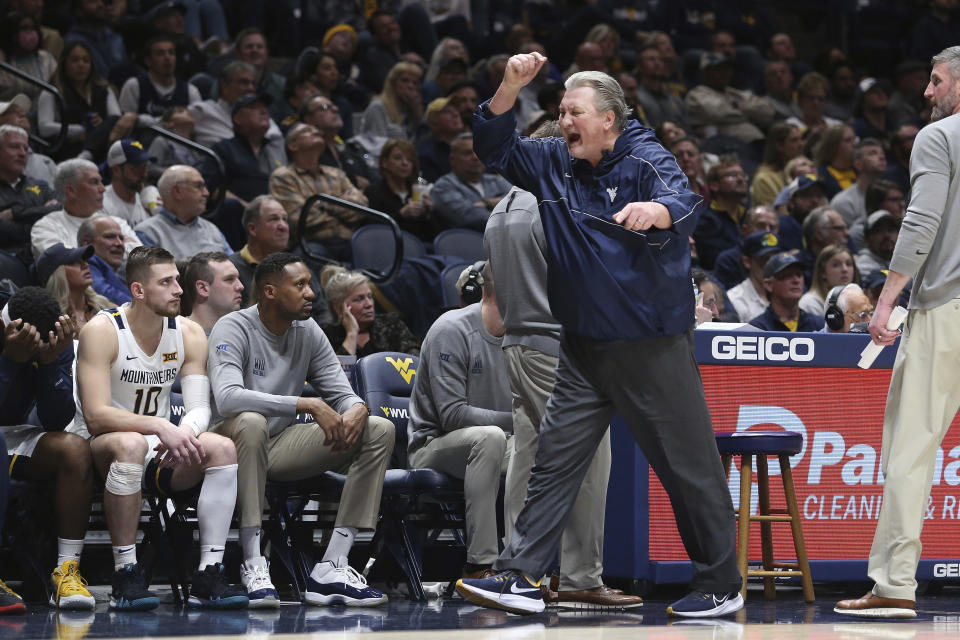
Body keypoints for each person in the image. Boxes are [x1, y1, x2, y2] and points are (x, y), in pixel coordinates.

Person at [459, 55, 742, 618]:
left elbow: (685, 200)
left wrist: (658, 210)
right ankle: (520, 574)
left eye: (575, 112)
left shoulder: (645, 157)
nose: (564, 120)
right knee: (555, 462)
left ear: (609, 118)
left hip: (649, 346)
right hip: (584, 349)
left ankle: (720, 582)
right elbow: (493, 146)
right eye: (561, 110)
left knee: (687, 468)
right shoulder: (554, 163)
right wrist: (510, 87)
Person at [484, 123, 641, 608]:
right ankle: (580, 577)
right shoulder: (554, 204)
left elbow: (492, 296)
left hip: (517, 345)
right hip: (558, 347)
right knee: (591, 457)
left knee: (529, 456)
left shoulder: (501, 209)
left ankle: (519, 569)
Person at [208, 252, 394, 608]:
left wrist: (357, 410)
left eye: (310, 284)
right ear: (270, 292)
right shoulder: (233, 326)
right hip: (230, 442)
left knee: (379, 429)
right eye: (300, 285)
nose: (311, 293)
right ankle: (253, 561)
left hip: (280, 445)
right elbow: (229, 398)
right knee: (251, 421)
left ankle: (333, 565)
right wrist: (304, 404)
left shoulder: (308, 330)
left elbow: (342, 393)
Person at [73, 245, 247, 610]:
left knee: (222, 448)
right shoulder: (102, 331)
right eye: (166, 282)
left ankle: (209, 570)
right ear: (138, 291)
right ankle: (125, 573)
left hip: (159, 445)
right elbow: (96, 415)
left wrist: (183, 432)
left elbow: (199, 408)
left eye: (177, 281)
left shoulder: (189, 333)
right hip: (101, 445)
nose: (178, 290)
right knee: (131, 445)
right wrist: (159, 426)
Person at [408, 262, 514, 578]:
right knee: (490, 437)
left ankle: (528, 565)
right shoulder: (451, 329)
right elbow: (452, 415)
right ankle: (479, 564)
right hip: (434, 445)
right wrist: (520, 419)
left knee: (546, 446)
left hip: (502, 439)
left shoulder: (526, 333)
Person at [1, 285, 96, 611]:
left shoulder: (54, 336)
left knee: (75, 448)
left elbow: (56, 419)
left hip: (16, 435)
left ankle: (67, 570)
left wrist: (53, 360)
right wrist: (10, 362)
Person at [268, 123, 367, 262]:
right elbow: (300, 219)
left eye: (316, 129)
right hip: (312, 242)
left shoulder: (336, 173)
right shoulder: (283, 177)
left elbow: (362, 207)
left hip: (349, 239)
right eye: (307, 130)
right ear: (293, 146)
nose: (316, 131)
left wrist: (322, 204)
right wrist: (341, 205)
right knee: (312, 255)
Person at [229, 195, 331, 324]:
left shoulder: (297, 266)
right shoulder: (231, 269)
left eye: (285, 219)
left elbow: (322, 312)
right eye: (274, 219)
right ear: (252, 229)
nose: (283, 227)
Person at [37, 41, 135, 161]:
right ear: (64, 63)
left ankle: (87, 153)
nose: (81, 65)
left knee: (116, 120)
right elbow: (44, 128)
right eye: (75, 60)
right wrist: (79, 130)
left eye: (85, 60)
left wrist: (101, 124)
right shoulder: (52, 92)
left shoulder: (104, 89)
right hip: (67, 149)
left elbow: (115, 119)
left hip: (102, 149)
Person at [30, 158, 140, 260]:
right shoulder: (46, 227)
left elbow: (142, 259)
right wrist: (122, 247)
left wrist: (80, 252)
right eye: (94, 182)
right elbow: (62, 263)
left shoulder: (117, 222)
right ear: (71, 190)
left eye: (101, 182)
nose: (102, 189)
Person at [319, 265, 420, 357]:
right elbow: (336, 373)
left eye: (370, 297)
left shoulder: (391, 324)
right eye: (359, 299)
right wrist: (352, 334)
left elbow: (414, 360)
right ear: (337, 306)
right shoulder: (327, 336)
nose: (369, 304)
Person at [135, 165, 232, 260]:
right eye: (199, 186)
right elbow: (155, 275)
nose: (206, 193)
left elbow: (233, 267)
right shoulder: (148, 233)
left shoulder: (212, 229)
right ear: (177, 191)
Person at [431, 134, 512, 232]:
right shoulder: (443, 186)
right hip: (467, 243)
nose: (475, 158)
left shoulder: (496, 181)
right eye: (467, 153)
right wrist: (507, 213)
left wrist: (486, 204)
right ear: (452, 160)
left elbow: (521, 201)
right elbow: (469, 216)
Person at [117, 35, 202, 128]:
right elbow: (125, 123)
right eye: (160, 54)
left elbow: (196, 127)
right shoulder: (134, 85)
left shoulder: (191, 91)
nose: (167, 57)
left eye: (171, 52)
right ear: (148, 61)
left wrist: (142, 120)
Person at [0, 124, 59, 256]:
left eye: (25, 148)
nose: (22, 153)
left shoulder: (40, 186)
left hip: (41, 258)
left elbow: (58, 212)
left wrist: (15, 213)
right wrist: (41, 215)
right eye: (14, 147)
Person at [365, 138, 436, 242]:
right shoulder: (374, 192)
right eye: (398, 158)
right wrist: (401, 214)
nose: (405, 163)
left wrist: (429, 214)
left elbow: (434, 235)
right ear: (384, 162)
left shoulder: (417, 191)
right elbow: (370, 230)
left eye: (410, 159)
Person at [39, 243, 113, 331]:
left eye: (84, 260)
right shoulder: (52, 321)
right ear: (58, 275)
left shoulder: (104, 305)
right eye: (74, 262)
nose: (85, 265)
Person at [692, 155, 747, 271]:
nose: (741, 179)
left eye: (742, 175)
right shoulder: (704, 221)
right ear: (714, 185)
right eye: (732, 176)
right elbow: (718, 262)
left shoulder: (748, 214)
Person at [748, 252, 825, 332]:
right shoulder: (756, 329)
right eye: (787, 275)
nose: (796, 280)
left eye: (799, 275)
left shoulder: (819, 325)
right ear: (769, 285)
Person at [713, 205, 779, 291]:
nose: (767, 231)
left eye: (772, 227)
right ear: (745, 230)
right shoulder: (728, 260)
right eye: (761, 226)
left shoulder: (780, 258)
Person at [180, 252, 244, 335]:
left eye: (238, 278)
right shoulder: (178, 339)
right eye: (229, 279)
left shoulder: (243, 333)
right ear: (203, 288)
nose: (241, 286)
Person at [830, 138, 888, 228]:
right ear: (858, 165)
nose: (882, 157)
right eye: (873, 153)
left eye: (882, 153)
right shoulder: (843, 202)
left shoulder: (893, 194)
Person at [358, 61, 424, 141]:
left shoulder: (413, 110)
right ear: (393, 84)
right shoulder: (378, 107)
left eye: (415, 83)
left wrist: (417, 112)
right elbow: (378, 147)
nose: (411, 86)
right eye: (405, 80)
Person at [726, 231, 781, 323]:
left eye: (775, 259)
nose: (772, 266)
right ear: (747, 261)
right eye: (765, 260)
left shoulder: (787, 296)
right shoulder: (735, 300)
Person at [102, 139, 156, 226]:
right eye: (136, 167)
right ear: (116, 170)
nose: (144, 174)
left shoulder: (148, 202)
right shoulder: (101, 204)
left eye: (145, 166)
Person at [78, 216, 131, 305]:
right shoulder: (87, 262)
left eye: (121, 238)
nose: (119, 244)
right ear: (87, 243)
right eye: (110, 237)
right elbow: (102, 292)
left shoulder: (125, 271)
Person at [751, 123, 804, 207]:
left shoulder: (800, 171)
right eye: (794, 140)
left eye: (801, 139)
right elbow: (775, 214)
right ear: (780, 146)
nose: (801, 144)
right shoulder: (764, 179)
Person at [799, 244, 859, 317]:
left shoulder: (859, 300)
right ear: (822, 272)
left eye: (848, 264)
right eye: (836, 265)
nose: (844, 269)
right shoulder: (810, 304)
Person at [416, 97, 466, 183]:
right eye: (447, 112)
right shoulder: (425, 154)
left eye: (456, 110)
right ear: (433, 123)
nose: (455, 114)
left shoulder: (472, 143)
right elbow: (425, 182)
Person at [856, 210, 900, 274]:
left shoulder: (901, 260)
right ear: (867, 238)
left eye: (891, 230)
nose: (887, 235)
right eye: (879, 230)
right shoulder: (863, 266)